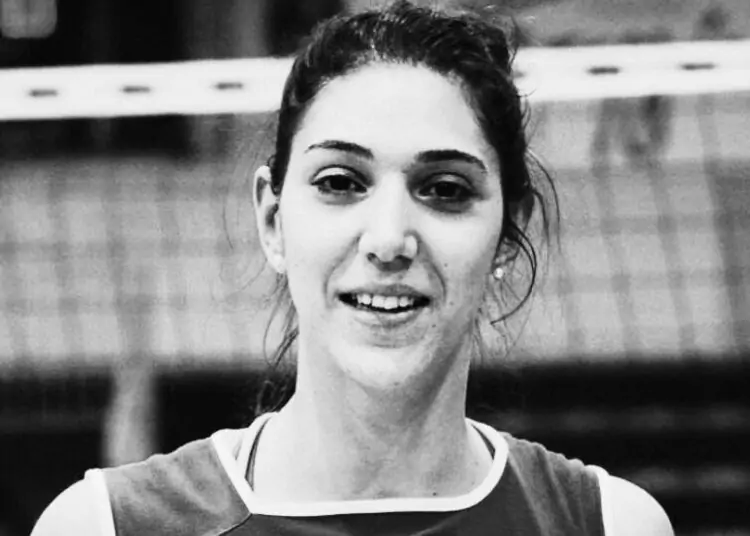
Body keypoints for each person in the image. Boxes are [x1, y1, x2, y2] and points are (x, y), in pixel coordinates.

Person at [31, 2, 673, 534]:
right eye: (340, 182)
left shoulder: (609, 524)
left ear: (509, 235)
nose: (389, 239)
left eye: (445, 189)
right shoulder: (107, 525)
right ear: (273, 220)